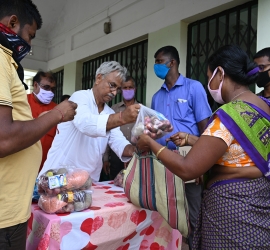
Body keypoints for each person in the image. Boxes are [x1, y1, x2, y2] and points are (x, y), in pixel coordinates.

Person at [136, 44, 270, 249]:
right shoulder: (262, 106)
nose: (209, 83)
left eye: (210, 77)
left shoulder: (229, 115)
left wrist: (151, 144)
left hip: (232, 210)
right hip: (258, 199)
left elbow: (188, 168)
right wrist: (191, 140)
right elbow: (236, 148)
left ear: (220, 74)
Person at [0, 1, 77, 250]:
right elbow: (4, 138)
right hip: (5, 212)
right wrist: (56, 114)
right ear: (12, 23)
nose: (30, 45)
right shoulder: (0, 59)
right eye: (30, 35)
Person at [39, 61, 141, 183]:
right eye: (112, 85)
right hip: (59, 178)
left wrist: (136, 150)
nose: (114, 93)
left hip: (88, 183)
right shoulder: (79, 97)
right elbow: (86, 124)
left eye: (118, 89)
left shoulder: (109, 112)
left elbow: (118, 141)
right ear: (99, 78)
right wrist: (122, 117)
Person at [151, 45, 212, 249]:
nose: (156, 66)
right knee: (167, 210)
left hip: (189, 157)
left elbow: (206, 128)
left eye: (159, 61)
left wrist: (203, 163)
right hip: (163, 159)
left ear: (172, 63)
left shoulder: (193, 88)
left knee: (193, 211)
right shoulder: (156, 96)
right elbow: (155, 130)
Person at [102, 76, 139, 180]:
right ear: (121, 90)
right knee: (115, 182)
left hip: (135, 155)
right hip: (116, 156)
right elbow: (107, 133)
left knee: (133, 183)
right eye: (125, 88)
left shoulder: (141, 109)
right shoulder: (113, 109)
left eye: (130, 88)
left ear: (135, 89)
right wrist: (105, 159)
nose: (128, 90)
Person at [27, 71, 58, 172]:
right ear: (35, 85)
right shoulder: (22, 103)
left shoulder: (56, 109)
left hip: (46, 168)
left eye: (53, 89)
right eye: (46, 87)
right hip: (23, 167)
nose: (50, 92)